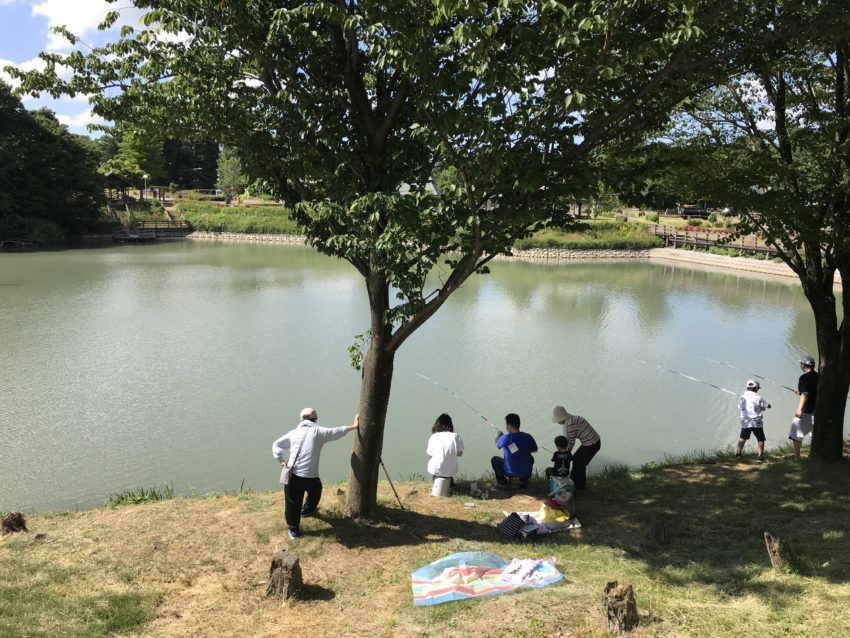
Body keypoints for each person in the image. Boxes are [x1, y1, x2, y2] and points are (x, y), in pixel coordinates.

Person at [272, 407, 359, 539]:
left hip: (292, 476)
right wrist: (354, 426)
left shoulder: (293, 433)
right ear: (315, 419)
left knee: (292, 503)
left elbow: (276, 444)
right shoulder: (319, 431)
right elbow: (336, 431)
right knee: (316, 491)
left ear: (301, 420)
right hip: (310, 478)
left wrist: (281, 461)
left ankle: (293, 530)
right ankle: (307, 510)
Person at [552, 405, 601, 491]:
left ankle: (581, 487)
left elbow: (570, 442)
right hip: (589, 442)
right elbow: (567, 439)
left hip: (592, 443)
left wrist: (564, 455)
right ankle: (573, 481)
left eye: (558, 420)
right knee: (575, 459)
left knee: (579, 464)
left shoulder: (570, 424)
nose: (558, 422)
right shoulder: (571, 419)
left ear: (561, 418)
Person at [491, 413, 538, 490]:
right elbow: (535, 450)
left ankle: (502, 483)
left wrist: (498, 435)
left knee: (494, 460)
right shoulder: (528, 436)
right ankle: (523, 480)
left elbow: (497, 445)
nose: (506, 427)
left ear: (509, 426)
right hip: (526, 471)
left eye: (506, 425)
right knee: (531, 458)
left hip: (509, 472)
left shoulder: (505, 438)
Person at [788, 355, 818, 460]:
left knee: (795, 433)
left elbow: (806, 393)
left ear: (803, 365)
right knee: (814, 434)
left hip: (807, 411)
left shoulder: (804, 377)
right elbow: (809, 391)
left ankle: (797, 458)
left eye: (801, 363)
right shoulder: (819, 376)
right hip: (818, 410)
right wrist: (800, 392)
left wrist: (799, 409)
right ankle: (813, 455)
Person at [426, 413, 464, 488]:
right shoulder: (455, 436)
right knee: (447, 469)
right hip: (451, 470)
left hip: (435, 470)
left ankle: (437, 483)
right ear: (450, 425)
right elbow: (460, 453)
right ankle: (449, 483)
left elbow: (430, 453)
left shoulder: (433, 437)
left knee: (435, 463)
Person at [736, 380, 770, 462]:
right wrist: (768, 405)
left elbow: (739, 407)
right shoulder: (759, 397)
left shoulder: (742, 397)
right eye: (758, 388)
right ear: (756, 388)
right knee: (760, 439)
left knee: (742, 437)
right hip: (756, 422)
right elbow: (765, 406)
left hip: (745, 422)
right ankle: (760, 457)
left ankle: (738, 454)